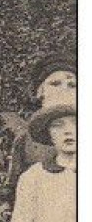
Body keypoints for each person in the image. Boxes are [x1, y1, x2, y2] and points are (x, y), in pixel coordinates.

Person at [8, 55, 76, 192]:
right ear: (40, 92)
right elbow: (14, 193)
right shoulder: (25, 142)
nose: (64, 89)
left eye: (72, 85)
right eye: (55, 84)